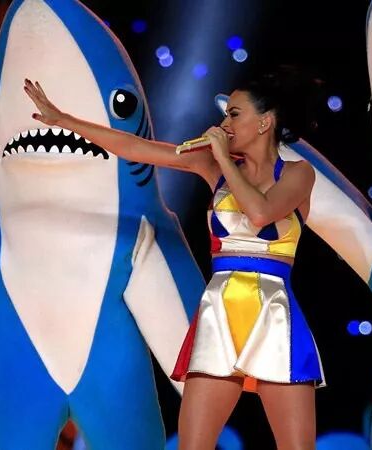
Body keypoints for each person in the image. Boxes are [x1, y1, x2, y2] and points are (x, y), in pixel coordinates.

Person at [24, 67, 324, 450]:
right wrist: (65, 121)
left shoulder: (298, 174)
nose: (224, 124)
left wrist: (221, 157)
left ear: (265, 122)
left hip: (274, 315)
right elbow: (135, 148)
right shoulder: (212, 165)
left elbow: (261, 212)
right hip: (221, 315)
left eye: (234, 115)